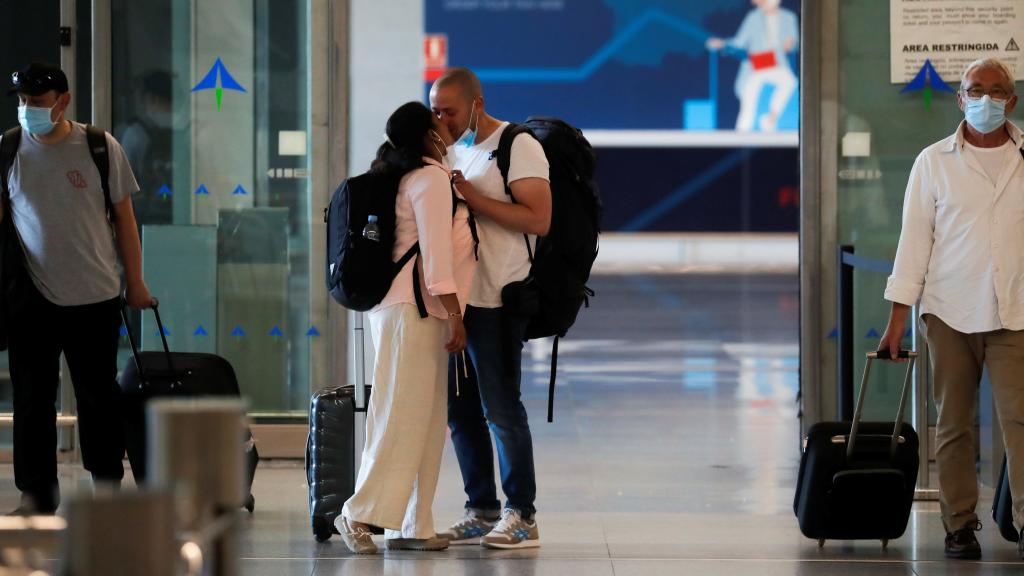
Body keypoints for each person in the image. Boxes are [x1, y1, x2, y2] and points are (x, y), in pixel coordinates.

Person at [880, 57, 1024, 561]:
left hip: (1017, 313)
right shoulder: (933, 161)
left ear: (1013, 98)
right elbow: (914, 242)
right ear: (960, 98)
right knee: (954, 424)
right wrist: (898, 318)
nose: (987, 98)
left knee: (1020, 422)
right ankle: (959, 524)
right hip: (949, 312)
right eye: (975, 89)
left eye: (997, 89)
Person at [2, 62, 153, 515]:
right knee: (32, 398)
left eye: (38, 101)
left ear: (63, 101)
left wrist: (137, 282)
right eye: (22, 100)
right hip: (31, 297)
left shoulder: (97, 147)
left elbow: (125, 219)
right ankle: (37, 493)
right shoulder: (8, 150)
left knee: (98, 397)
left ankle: (106, 486)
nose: (28, 109)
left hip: (95, 294)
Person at [336, 101, 476, 554]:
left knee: (427, 419)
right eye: (438, 120)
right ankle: (357, 513)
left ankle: (414, 523)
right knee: (400, 414)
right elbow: (434, 259)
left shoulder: (419, 176)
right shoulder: (430, 180)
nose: (447, 125)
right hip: (411, 311)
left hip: (415, 311)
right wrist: (456, 313)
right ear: (426, 133)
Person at [429, 67, 551, 549]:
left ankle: (522, 513)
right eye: (435, 111)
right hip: (460, 302)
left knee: (501, 408)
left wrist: (473, 199)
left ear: (476, 104)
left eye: (449, 111)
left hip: (500, 297)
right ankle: (480, 508)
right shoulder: (452, 150)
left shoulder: (517, 146)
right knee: (460, 412)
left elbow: (539, 219)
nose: (441, 120)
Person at [706, 0, 798, 132]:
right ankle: (742, 132)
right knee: (749, 98)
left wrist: (791, 45)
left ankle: (771, 118)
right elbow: (739, 42)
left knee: (790, 82)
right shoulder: (753, 17)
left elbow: (796, 42)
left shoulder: (789, 17)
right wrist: (723, 44)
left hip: (778, 62)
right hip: (757, 64)